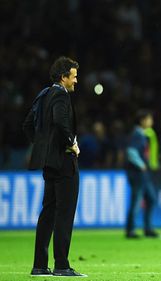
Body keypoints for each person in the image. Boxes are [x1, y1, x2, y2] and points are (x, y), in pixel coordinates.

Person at [22, 56, 86, 277]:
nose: (76, 81)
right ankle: (61, 265)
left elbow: (28, 124)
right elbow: (60, 121)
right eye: (74, 76)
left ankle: (39, 265)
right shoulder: (61, 95)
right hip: (64, 162)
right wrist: (71, 144)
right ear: (63, 77)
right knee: (64, 214)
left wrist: (44, 148)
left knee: (48, 213)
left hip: (49, 164)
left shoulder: (44, 94)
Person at [125, 110, 159, 238]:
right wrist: (141, 164)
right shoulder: (137, 134)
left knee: (151, 199)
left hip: (143, 174)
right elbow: (131, 152)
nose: (151, 122)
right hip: (137, 173)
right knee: (136, 201)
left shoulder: (142, 134)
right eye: (149, 119)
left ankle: (148, 228)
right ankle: (130, 230)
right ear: (143, 120)